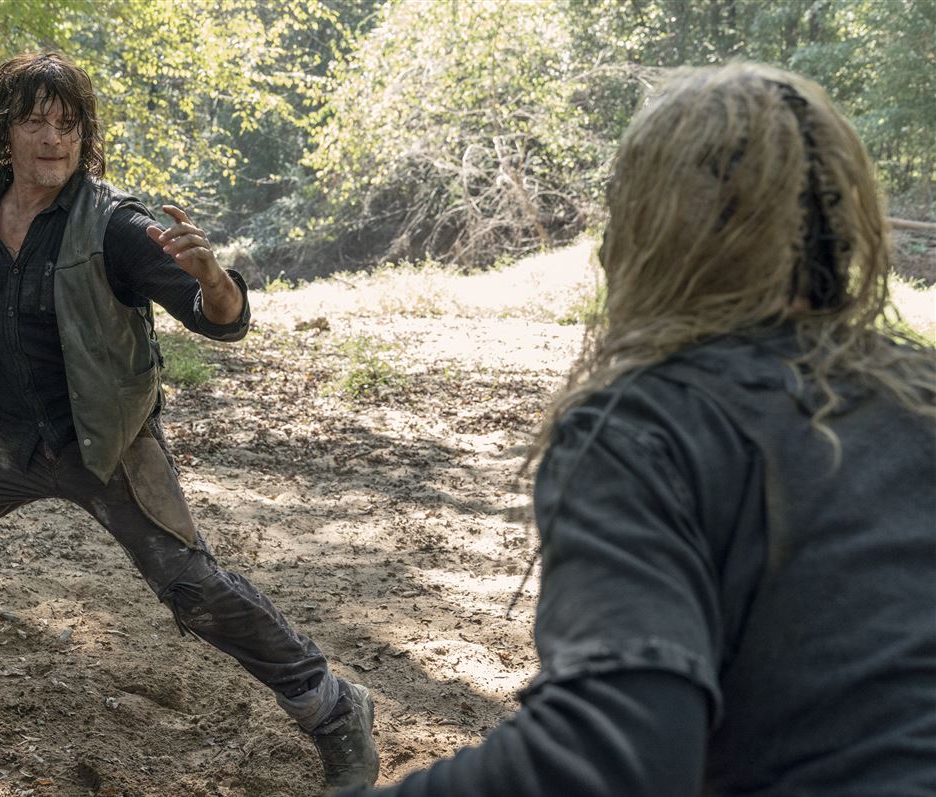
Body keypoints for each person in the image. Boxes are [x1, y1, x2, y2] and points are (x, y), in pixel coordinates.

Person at [337, 63, 936, 796]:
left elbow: (614, 756)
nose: (602, 249)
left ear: (656, 232)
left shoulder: (647, 428)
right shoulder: (923, 393)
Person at [0, 51, 378, 792]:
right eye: (35, 121)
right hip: (10, 434)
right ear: (4, 130)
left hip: (105, 439)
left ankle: (334, 707)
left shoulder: (117, 223)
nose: (52, 139)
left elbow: (221, 320)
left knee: (190, 585)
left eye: (68, 124)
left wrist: (215, 279)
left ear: (84, 135)